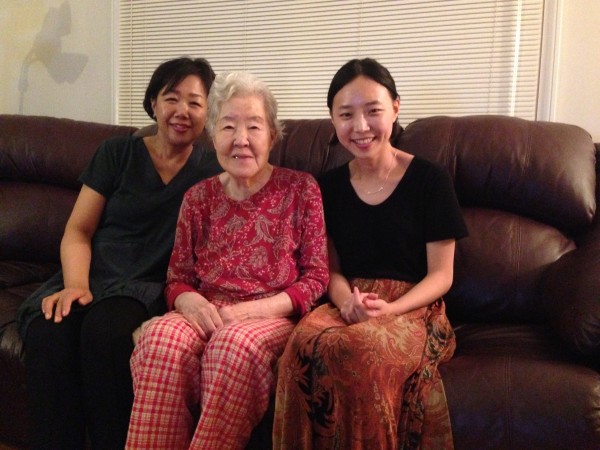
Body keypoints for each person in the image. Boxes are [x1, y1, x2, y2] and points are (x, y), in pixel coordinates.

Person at [16, 57, 222, 450]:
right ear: (154, 103)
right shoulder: (116, 153)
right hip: (91, 273)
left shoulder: (213, 171)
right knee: (48, 332)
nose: (182, 110)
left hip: (146, 284)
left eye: (195, 102)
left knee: (106, 335)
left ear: (207, 113)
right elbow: (78, 230)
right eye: (172, 98)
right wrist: (76, 286)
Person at [125, 71, 329, 450]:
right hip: (208, 311)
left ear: (272, 135)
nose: (241, 139)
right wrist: (189, 301)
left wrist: (251, 311)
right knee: (159, 340)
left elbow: (316, 278)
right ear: (213, 134)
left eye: (254, 126)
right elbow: (177, 278)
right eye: (228, 126)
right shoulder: (197, 198)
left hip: (271, 316)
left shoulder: (301, 189)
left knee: (231, 346)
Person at [273, 58, 468, 450]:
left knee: (360, 351)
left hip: (412, 307)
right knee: (299, 349)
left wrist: (390, 310)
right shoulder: (326, 187)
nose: (360, 127)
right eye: (346, 115)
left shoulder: (430, 180)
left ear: (395, 108)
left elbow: (441, 275)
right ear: (333, 119)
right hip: (348, 302)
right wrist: (347, 302)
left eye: (373, 111)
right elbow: (330, 268)